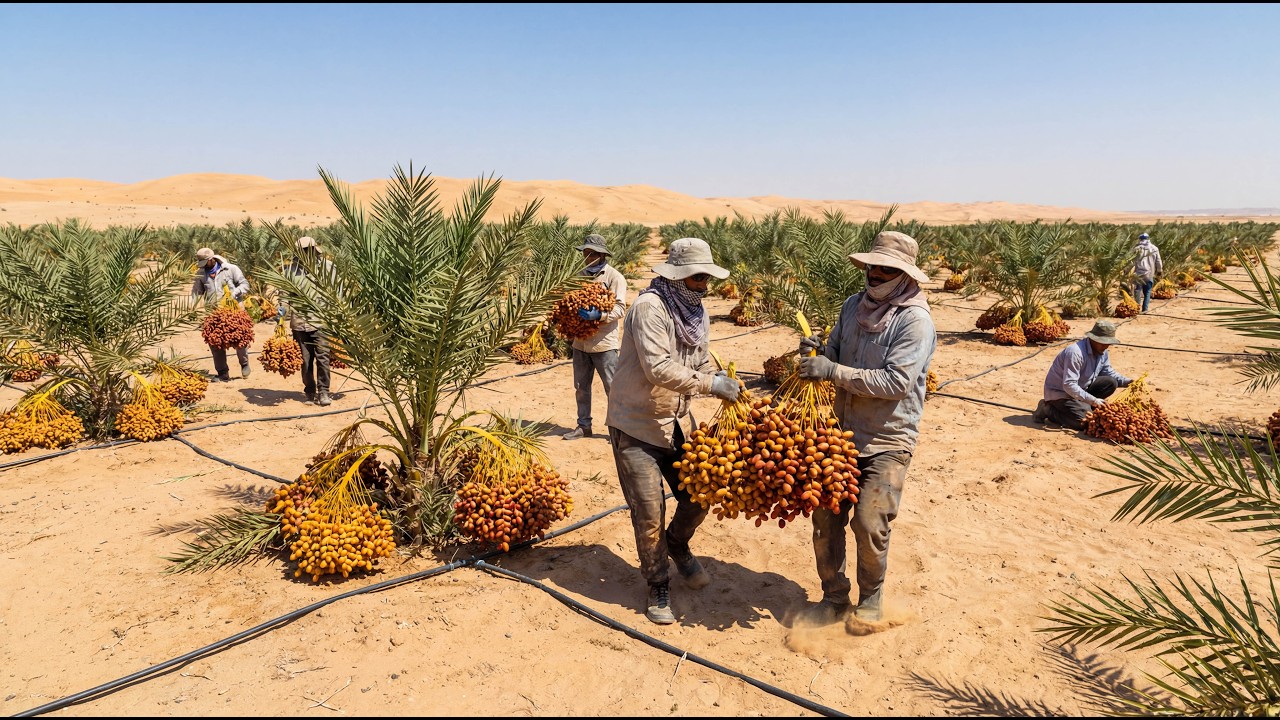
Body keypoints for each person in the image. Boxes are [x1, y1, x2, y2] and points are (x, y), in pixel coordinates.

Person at [794, 231, 937, 624]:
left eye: (886, 269)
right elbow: (836, 354)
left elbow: (896, 383)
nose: (875, 273)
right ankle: (834, 596)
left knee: (869, 523)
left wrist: (834, 370)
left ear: (903, 275)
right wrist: (819, 354)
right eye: (873, 266)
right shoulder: (852, 306)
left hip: (888, 438)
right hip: (841, 435)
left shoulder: (914, 321)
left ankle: (871, 598)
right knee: (825, 520)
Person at [605, 237, 742, 625]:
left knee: (701, 494)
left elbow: (698, 360)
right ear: (679, 276)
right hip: (637, 424)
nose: (703, 284)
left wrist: (716, 379)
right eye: (697, 277)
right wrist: (710, 385)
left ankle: (678, 544)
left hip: (679, 422)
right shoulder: (650, 308)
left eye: (706, 277)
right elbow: (658, 369)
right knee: (649, 511)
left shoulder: (696, 312)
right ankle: (657, 583)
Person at [562, 234, 629, 440]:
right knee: (581, 388)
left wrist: (599, 315)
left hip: (604, 344)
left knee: (613, 388)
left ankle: (621, 431)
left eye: (589, 253)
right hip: (580, 343)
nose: (586, 256)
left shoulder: (613, 277)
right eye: (584, 253)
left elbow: (620, 308)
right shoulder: (579, 275)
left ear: (600, 255)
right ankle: (584, 426)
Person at [1033, 320, 1132, 430]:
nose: (1107, 346)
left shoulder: (1102, 352)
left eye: (1108, 342)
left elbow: (1108, 372)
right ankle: (1048, 409)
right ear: (1093, 339)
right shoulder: (1075, 353)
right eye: (1103, 342)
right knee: (1085, 421)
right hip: (1061, 394)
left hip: (1081, 388)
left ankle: (1083, 407)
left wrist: (1128, 382)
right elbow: (1069, 385)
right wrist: (1094, 400)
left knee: (1110, 382)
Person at [278, 237, 334, 406]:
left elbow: (336, 294)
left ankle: (324, 392)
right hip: (300, 322)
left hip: (322, 321)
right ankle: (309, 390)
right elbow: (284, 297)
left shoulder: (328, 268)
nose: (305, 254)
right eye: (302, 251)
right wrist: (281, 316)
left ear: (314, 250)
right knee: (305, 360)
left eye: (308, 250)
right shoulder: (289, 271)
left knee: (323, 358)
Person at [190, 247, 252, 382]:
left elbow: (245, 285)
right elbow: (196, 293)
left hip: (234, 312)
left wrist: (234, 293)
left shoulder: (230, 269)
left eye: (205, 263)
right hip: (214, 314)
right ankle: (222, 372)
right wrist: (192, 308)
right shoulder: (201, 273)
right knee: (215, 343)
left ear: (211, 259)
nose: (203, 266)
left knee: (240, 340)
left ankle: (244, 363)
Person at [1132, 232, 1163, 313]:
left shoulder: (1136, 249)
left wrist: (1126, 272)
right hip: (1149, 273)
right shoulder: (1154, 248)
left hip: (1138, 273)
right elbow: (1158, 261)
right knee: (1148, 291)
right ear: (1148, 239)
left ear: (1140, 239)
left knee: (1137, 290)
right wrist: (1159, 270)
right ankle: (1145, 309)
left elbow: (1131, 262)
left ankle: (1137, 308)